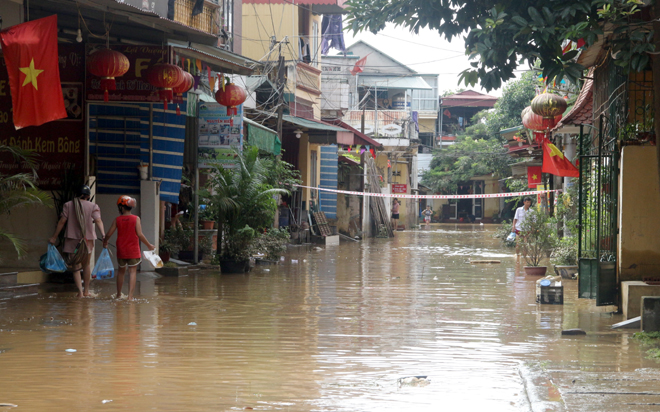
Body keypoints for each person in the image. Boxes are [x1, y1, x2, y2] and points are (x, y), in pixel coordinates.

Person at [49, 185, 105, 298]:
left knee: (75, 266)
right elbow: (98, 221)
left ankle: (80, 292)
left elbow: (62, 222)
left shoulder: (68, 205)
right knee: (86, 265)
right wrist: (103, 235)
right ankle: (86, 291)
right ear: (88, 195)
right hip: (87, 239)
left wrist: (54, 237)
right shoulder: (93, 206)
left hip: (72, 239)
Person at [103, 196, 155, 301]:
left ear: (121, 208)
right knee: (132, 272)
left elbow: (108, 234)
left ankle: (118, 295)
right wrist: (149, 245)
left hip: (121, 250)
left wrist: (105, 241)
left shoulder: (117, 220)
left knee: (121, 272)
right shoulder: (136, 219)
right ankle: (130, 297)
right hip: (133, 251)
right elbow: (140, 234)